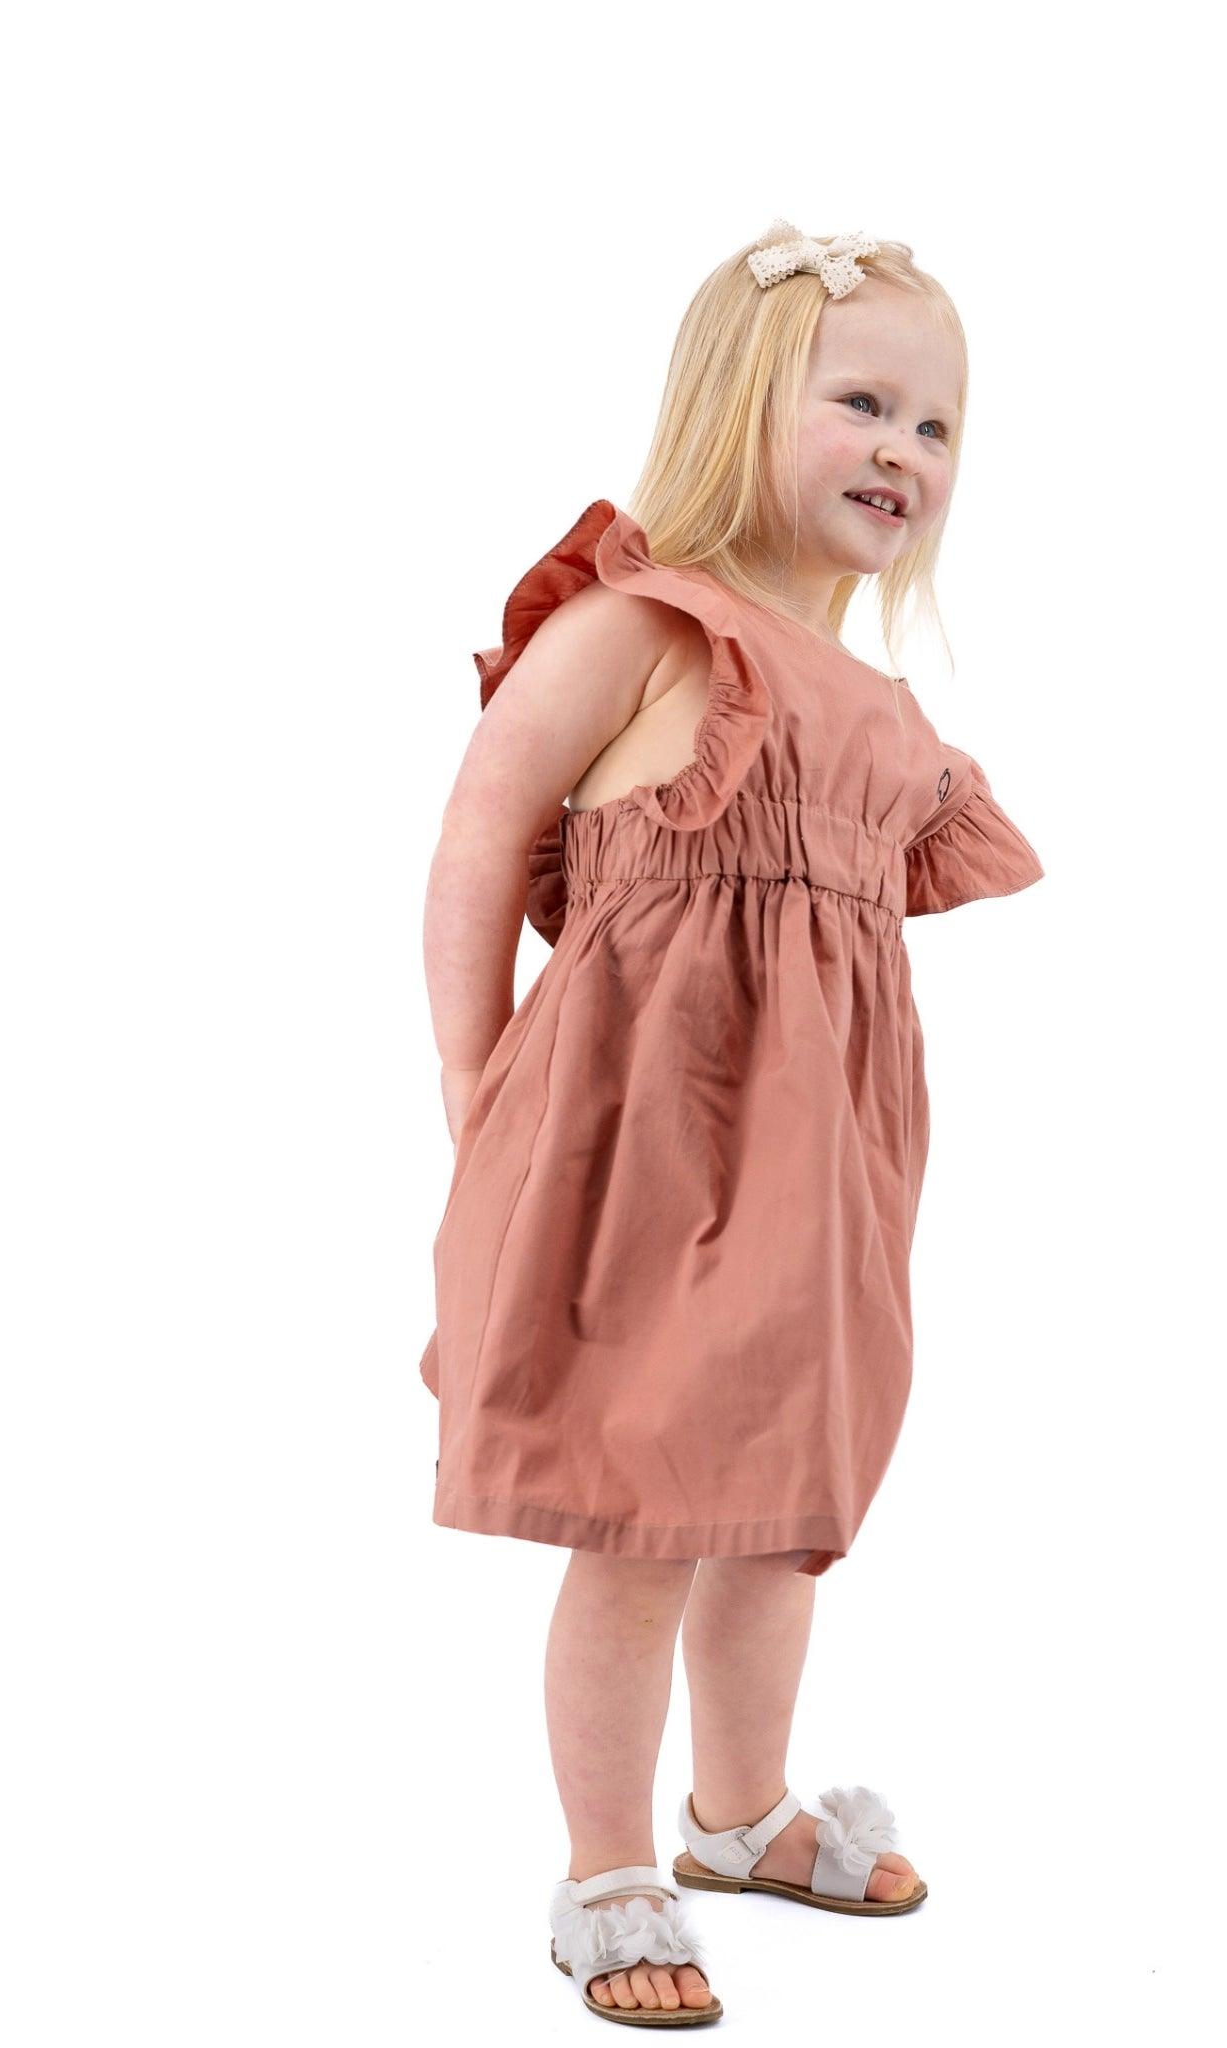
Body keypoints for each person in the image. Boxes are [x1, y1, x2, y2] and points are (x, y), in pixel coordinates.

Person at [417, 220, 1045, 2024]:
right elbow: (479, 836)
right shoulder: (640, 627)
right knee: (641, 1514)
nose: (904, 456)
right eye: (862, 403)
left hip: (824, 1177)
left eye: (936, 429)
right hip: (640, 1156)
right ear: (735, 406)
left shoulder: (884, 718)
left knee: (783, 1507)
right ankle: (607, 1863)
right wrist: (470, 1077)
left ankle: (740, 1810)